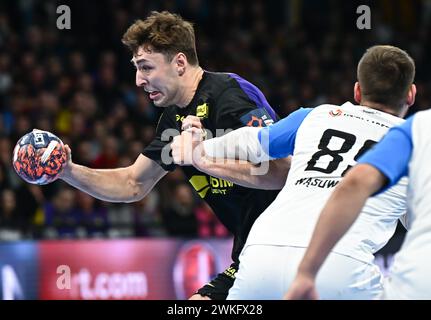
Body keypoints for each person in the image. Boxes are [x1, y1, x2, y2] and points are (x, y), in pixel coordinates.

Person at [59, 11, 289, 300]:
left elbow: (283, 172)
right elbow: (132, 184)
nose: (138, 81)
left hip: (290, 241)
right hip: (253, 250)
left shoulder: (231, 96)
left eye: (146, 68)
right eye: (136, 68)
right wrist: (67, 171)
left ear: (179, 63)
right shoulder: (173, 119)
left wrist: (202, 158)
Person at [172, 45, 415, 299]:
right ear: (410, 94)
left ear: (357, 90)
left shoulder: (316, 115)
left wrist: (199, 150)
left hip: (262, 252)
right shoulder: (416, 141)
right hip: (340, 263)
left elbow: (254, 142)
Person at [285, 107, 431, 300]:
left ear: (357, 90)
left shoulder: (419, 126)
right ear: (411, 95)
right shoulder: (414, 130)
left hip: (268, 248)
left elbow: (354, 183)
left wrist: (307, 272)